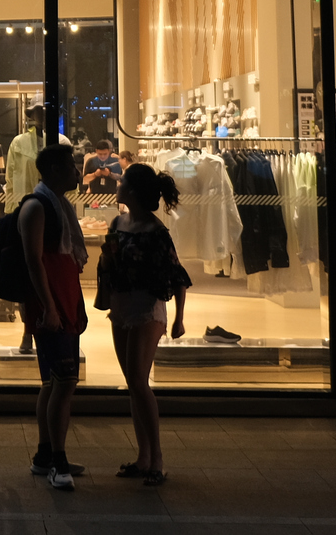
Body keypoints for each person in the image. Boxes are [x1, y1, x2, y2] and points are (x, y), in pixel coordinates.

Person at [95, 163, 189, 485]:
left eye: (122, 182)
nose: (117, 184)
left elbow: (176, 275)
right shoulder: (119, 222)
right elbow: (108, 264)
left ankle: (157, 457)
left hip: (147, 309)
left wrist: (178, 318)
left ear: (131, 191)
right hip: (121, 308)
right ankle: (144, 456)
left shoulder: (155, 230)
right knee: (134, 384)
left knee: (137, 381)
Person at [17, 142, 88, 491]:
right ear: (57, 170)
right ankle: (57, 461)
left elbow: (67, 263)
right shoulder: (37, 206)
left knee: (53, 383)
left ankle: (46, 455)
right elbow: (34, 261)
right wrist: (48, 306)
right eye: (72, 167)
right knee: (64, 383)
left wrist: (77, 305)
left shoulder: (58, 205)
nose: (77, 173)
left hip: (63, 301)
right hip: (51, 305)